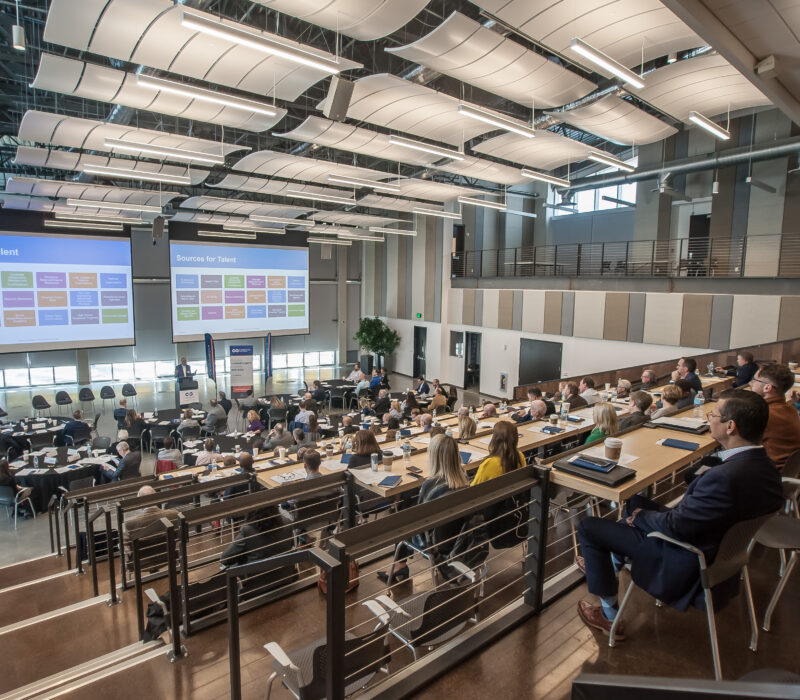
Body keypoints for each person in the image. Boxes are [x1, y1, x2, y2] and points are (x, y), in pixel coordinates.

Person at [576, 389, 783, 638]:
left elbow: (677, 526)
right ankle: (612, 565)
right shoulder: (765, 467)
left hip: (684, 555)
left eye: (713, 414)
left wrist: (640, 518)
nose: (709, 419)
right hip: (717, 547)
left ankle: (609, 616)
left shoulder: (724, 478)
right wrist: (640, 512)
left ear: (730, 427)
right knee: (634, 502)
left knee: (589, 527)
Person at [377, 434, 471, 582]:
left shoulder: (431, 485)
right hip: (461, 538)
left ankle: (399, 565)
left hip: (436, 543)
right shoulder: (464, 479)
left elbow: (420, 520)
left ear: (434, 458)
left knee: (403, 519)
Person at [749, 363, 800, 469]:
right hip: (790, 471)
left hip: (769, 473)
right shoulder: (790, 409)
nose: (750, 383)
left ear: (767, 387)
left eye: (755, 380)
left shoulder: (764, 414)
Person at [221, 504, 293, 567]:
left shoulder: (247, 530)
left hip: (256, 576)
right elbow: (291, 544)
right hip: (285, 574)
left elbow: (225, 559)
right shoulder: (287, 522)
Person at [122, 485, 180, 552]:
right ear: (155, 499)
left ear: (140, 503)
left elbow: (125, 544)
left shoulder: (130, 523)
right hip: (169, 555)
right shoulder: (174, 514)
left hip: (143, 557)